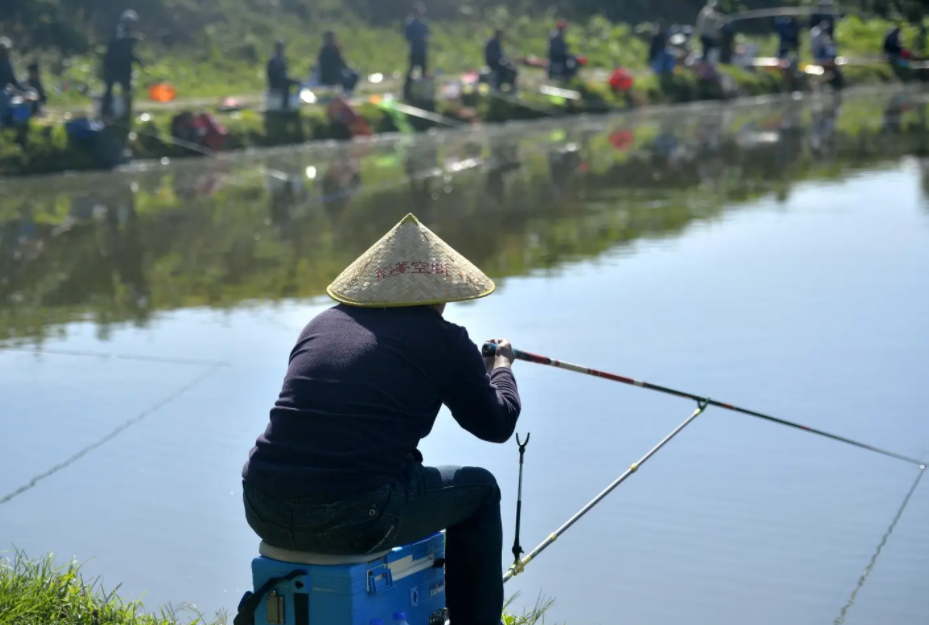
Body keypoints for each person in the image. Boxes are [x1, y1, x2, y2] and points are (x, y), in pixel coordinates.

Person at [242, 213, 520, 625]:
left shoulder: (322, 324)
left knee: (401, 468)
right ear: (442, 292)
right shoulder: (444, 339)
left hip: (261, 504)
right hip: (352, 515)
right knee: (481, 490)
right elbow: (497, 424)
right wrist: (501, 367)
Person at [102, 10, 143, 119]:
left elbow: (128, 52)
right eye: (129, 22)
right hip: (113, 66)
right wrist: (131, 37)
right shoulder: (118, 31)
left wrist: (137, 59)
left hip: (124, 67)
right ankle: (105, 112)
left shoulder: (129, 35)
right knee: (109, 90)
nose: (131, 25)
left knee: (127, 90)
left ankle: (126, 112)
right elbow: (119, 41)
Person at [267, 39, 300, 111]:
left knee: (295, 83)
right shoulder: (273, 60)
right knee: (286, 85)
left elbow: (285, 73)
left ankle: (295, 103)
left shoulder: (282, 59)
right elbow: (275, 75)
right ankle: (285, 106)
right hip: (275, 82)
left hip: (281, 80)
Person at [404, 3, 429, 97]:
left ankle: (423, 90)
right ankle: (407, 90)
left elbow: (427, 34)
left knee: (424, 70)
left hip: (422, 50)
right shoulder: (411, 24)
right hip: (414, 50)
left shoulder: (423, 24)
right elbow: (407, 36)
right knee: (411, 69)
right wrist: (417, 38)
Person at [0, 38, 23, 127]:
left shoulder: (8, 63)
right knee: (3, 95)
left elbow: (13, 80)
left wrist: (23, 89)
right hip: (2, 91)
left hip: (6, 89)